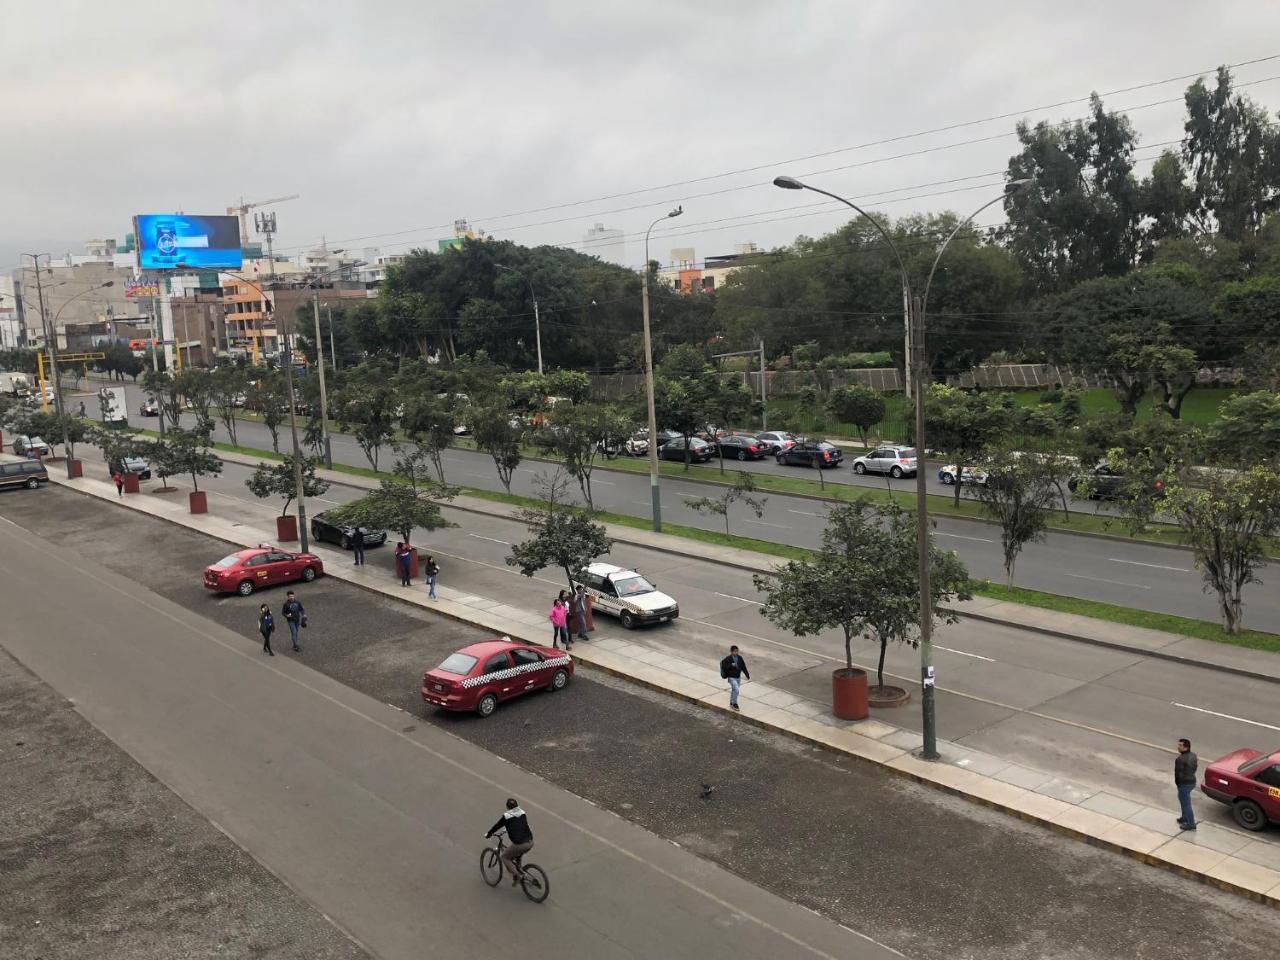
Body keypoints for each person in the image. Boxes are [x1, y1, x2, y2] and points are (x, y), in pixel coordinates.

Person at [485, 798, 533, 886]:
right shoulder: (522, 812)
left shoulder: (507, 816)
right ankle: (519, 868)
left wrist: (489, 834)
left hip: (520, 844)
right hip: (530, 841)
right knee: (516, 853)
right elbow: (519, 824)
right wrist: (506, 829)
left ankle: (517, 875)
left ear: (507, 807)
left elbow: (497, 825)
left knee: (505, 857)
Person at [1175, 737, 1198, 831]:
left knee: (1186, 804)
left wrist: (1178, 784)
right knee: (1183, 800)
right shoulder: (1193, 755)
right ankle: (1184, 817)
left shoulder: (1180, 759)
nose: (1178, 747)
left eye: (1180, 745)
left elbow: (1178, 774)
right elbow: (1195, 767)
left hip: (1184, 783)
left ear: (1186, 748)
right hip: (1192, 781)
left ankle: (1191, 823)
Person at [720, 644, 750, 711]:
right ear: (731, 652)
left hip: (738, 678)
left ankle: (731, 702)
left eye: (737, 651)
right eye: (735, 651)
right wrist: (731, 665)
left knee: (734, 690)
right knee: (736, 689)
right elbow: (724, 667)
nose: (736, 653)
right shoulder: (728, 659)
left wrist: (747, 674)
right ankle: (735, 704)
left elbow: (743, 667)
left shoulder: (740, 658)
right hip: (731, 678)